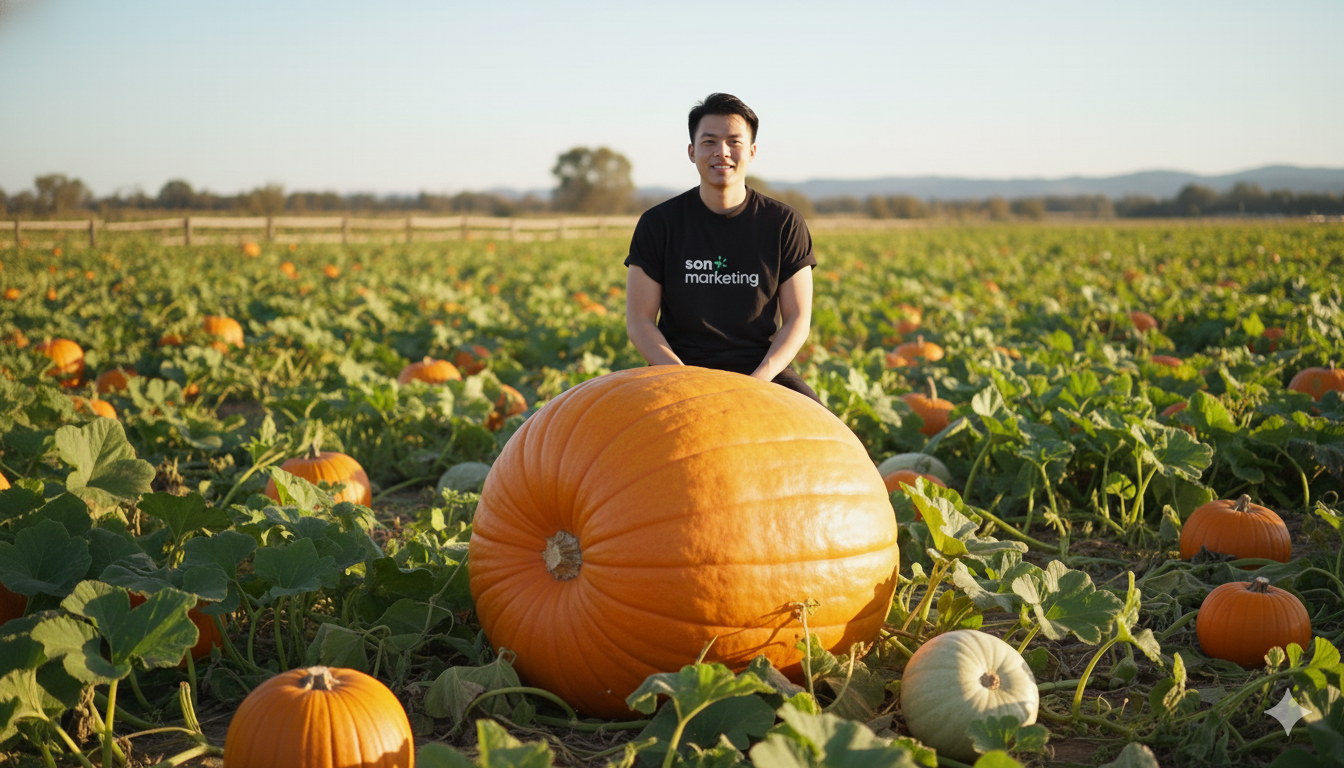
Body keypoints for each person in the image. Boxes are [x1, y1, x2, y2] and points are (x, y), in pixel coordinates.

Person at [623, 92, 819, 402]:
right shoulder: (658, 223)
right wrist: (684, 379)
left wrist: (759, 381)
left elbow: (797, 319)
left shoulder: (784, 223)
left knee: (826, 439)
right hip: (676, 369)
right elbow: (639, 321)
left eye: (734, 142)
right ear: (692, 151)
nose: (722, 152)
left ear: (752, 151)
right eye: (709, 142)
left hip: (762, 371)